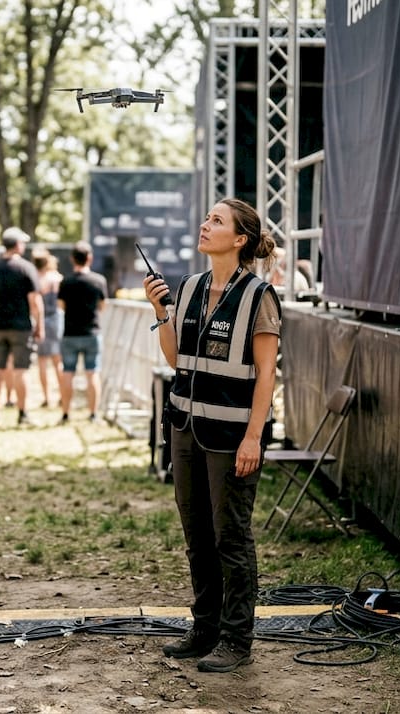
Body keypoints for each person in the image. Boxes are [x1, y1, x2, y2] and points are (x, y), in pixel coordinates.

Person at [143, 196, 282, 674]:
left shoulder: (259, 295)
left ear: (239, 239)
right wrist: (161, 311)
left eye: (216, 221)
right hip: (184, 428)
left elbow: (267, 374)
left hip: (230, 436)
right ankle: (204, 629)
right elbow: (176, 359)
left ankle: (236, 639)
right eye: (206, 217)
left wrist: (253, 437)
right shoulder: (190, 287)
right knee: (197, 536)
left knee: (232, 539)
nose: (205, 225)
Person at [0, 227, 42, 425]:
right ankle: (22, 413)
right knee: (20, 370)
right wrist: (39, 325)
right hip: (21, 327)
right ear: (17, 245)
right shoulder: (26, 268)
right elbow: (35, 301)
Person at [57, 241, 108, 423]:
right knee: (92, 372)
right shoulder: (99, 281)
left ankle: (65, 413)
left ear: (72, 259)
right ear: (90, 258)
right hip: (92, 333)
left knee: (67, 373)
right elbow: (102, 306)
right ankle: (93, 414)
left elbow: (61, 306)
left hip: (70, 333)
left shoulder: (66, 281)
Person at [32, 249, 63, 409]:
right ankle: (62, 395)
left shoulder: (34, 278)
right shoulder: (56, 277)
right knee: (58, 360)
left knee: (42, 361)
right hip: (56, 319)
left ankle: (46, 397)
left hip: (40, 321)